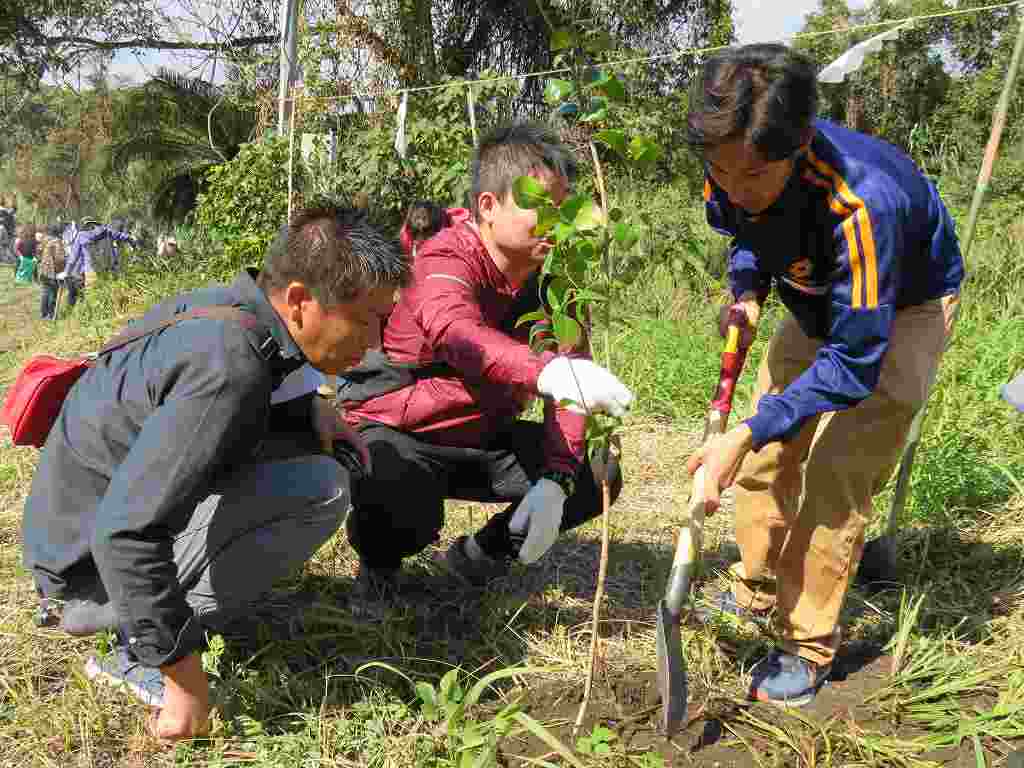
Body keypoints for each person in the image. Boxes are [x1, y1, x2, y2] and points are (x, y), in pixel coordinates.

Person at [22, 204, 410, 742]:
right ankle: (137, 656)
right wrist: (184, 682)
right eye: (368, 319)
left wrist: (308, 412)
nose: (375, 341)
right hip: (88, 573)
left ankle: (160, 622)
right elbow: (127, 533)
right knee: (319, 490)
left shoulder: (227, 310)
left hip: (68, 536)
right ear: (299, 300)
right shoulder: (229, 365)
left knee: (307, 461)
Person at [683, 44, 964, 707]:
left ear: (798, 143)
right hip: (815, 302)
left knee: (836, 475)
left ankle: (806, 643)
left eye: (751, 175)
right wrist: (747, 288)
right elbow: (746, 232)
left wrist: (745, 429)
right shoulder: (730, 159)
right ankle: (753, 589)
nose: (733, 189)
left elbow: (856, 361)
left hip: (898, 311)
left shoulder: (866, 203)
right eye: (721, 172)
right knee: (763, 459)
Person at [342, 121, 633, 592]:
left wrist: (557, 478)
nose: (555, 223)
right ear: (488, 206)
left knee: (596, 473)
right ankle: (379, 568)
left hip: (484, 435)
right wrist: (549, 370)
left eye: (563, 209)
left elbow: (572, 384)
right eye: (538, 206)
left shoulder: (558, 280)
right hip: (403, 432)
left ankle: (479, 555)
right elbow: (457, 332)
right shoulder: (444, 257)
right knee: (392, 486)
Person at [59, 217, 136, 306]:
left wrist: (66, 272)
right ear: (96, 223)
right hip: (110, 269)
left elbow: (72, 259)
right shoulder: (107, 231)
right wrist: (133, 243)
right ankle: (118, 311)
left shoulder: (81, 236)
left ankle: (97, 316)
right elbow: (124, 237)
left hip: (92, 272)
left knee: (93, 299)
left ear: (84, 225)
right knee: (115, 294)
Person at [37, 224, 66, 319]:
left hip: (43, 270)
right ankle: (51, 314)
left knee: (45, 292)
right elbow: (59, 258)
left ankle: (43, 314)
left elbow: (39, 252)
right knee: (53, 293)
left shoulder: (45, 240)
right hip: (51, 272)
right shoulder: (57, 242)